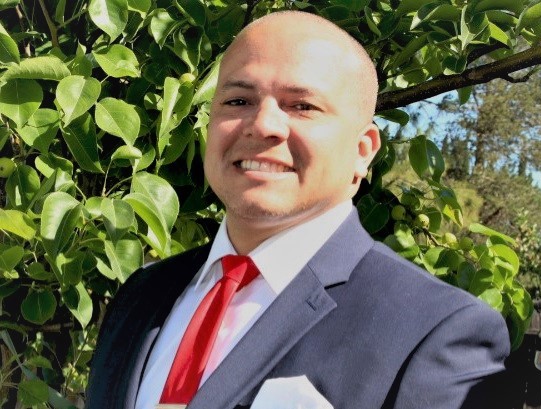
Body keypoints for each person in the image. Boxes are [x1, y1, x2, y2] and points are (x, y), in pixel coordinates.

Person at [86, 11, 510, 409]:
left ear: (362, 153)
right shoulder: (140, 297)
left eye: (302, 106)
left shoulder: (434, 331)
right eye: (237, 102)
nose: (263, 124)